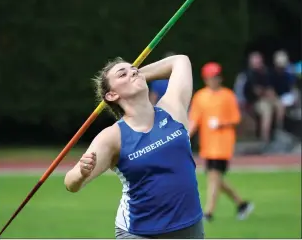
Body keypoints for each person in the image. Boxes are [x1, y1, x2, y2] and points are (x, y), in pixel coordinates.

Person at [64, 54, 205, 239]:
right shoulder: (113, 137)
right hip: (140, 233)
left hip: (190, 226)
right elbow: (70, 183)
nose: (133, 72)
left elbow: (180, 61)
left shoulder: (172, 108)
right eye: (123, 74)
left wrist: (137, 74)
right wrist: (82, 172)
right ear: (112, 95)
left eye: (134, 69)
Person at [188, 62, 254, 222]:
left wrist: (221, 123)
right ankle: (242, 204)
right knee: (215, 178)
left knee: (214, 176)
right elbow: (193, 120)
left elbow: (236, 118)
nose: (214, 80)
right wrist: (185, 137)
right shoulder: (200, 97)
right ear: (206, 79)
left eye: (216, 77)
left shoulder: (228, 95)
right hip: (208, 144)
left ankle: (208, 212)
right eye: (211, 77)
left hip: (223, 144)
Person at [243, 51, 285, 143]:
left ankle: (279, 130)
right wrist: (267, 93)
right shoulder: (249, 74)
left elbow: (272, 86)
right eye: (256, 61)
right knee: (267, 111)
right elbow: (256, 91)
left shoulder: (266, 72)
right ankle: (265, 137)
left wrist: (272, 93)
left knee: (280, 105)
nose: (259, 63)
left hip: (269, 98)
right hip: (255, 102)